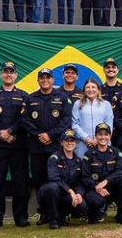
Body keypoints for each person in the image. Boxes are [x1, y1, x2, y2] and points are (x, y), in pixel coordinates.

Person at [0, 61, 31, 228]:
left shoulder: (24, 96)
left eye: (11, 72)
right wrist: (1, 134)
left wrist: (10, 131)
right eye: (6, 71)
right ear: (0, 74)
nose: (8, 74)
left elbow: (25, 119)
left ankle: (21, 217)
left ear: (16, 75)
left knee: (21, 183)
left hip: (19, 146)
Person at [23, 67, 73, 226]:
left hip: (55, 148)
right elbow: (25, 120)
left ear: (52, 80)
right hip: (37, 147)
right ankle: (44, 213)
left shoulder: (62, 98)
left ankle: (59, 214)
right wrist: (39, 135)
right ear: (38, 80)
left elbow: (66, 120)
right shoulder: (30, 98)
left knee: (57, 180)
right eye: (42, 78)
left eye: (47, 78)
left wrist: (50, 135)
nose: (45, 80)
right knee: (39, 181)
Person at [81, 123, 122, 226]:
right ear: (96, 136)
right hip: (95, 189)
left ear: (110, 136)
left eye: (106, 134)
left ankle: (121, 215)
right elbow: (85, 177)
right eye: (100, 134)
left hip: (112, 188)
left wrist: (106, 181)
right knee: (96, 201)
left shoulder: (116, 152)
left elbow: (121, 170)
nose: (103, 137)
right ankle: (93, 215)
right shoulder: (89, 154)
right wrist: (96, 186)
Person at [38, 129, 87, 229]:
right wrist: (70, 191)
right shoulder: (54, 158)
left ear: (76, 143)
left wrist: (78, 194)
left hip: (66, 195)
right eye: (66, 140)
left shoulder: (78, 161)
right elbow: (54, 178)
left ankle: (61, 215)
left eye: (72, 140)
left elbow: (80, 181)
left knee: (82, 205)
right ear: (61, 142)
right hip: (52, 193)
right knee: (52, 187)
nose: (69, 143)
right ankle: (53, 219)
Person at [72, 78, 114, 158]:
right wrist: (86, 138)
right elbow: (74, 125)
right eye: (87, 87)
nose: (90, 90)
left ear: (98, 90)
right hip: (83, 144)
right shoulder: (77, 104)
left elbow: (109, 125)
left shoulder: (106, 105)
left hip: (102, 143)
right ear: (84, 90)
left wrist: (97, 140)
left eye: (93, 87)